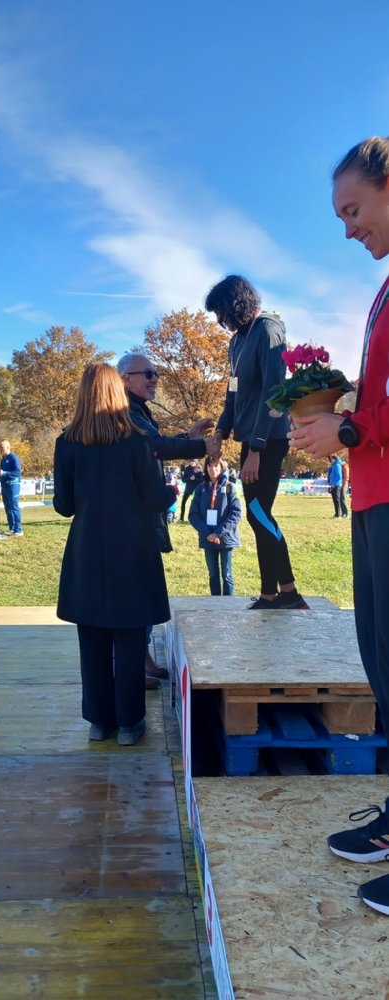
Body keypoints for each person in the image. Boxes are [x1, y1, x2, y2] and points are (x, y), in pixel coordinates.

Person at [288, 135, 389, 915]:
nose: (347, 229)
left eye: (353, 209)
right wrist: (340, 407)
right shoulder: (385, 291)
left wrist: (350, 432)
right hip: (371, 499)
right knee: (382, 665)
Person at [53, 362, 176, 746]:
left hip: (87, 549)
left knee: (91, 637)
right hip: (133, 547)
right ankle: (129, 723)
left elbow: (63, 506)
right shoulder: (137, 439)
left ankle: (98, 721)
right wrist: (170, 490)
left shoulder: (67, 442)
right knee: (128, 635)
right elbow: (154, 498)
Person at [205, 275, 308, 610]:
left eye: (222, 312)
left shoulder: (268, 330)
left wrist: (258, 450)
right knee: (256, 516)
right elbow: (233, 393)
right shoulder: (237, 342)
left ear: (237, 303)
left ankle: (289, 593)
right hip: (249, 441)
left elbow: (275, 394)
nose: (221, 321)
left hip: (268, 441)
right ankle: (272, 594)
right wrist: (221, 430)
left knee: (259, 514)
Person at [117, 352, 220, 685]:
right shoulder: (124, 412)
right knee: (135, 593)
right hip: (133, 521)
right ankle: (130, 663)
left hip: (141, 518)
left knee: (142, 591)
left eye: (156, 372)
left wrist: (189, 439)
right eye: (147, 373)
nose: (154, 378)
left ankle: (139, 656)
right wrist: (202, 445)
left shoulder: (136, 411)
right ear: (124, 379)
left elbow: (156, 446)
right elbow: (155, 447)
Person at [189, 457, 241, 595]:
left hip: (225, 538)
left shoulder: (230, 487)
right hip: (207, 538)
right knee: (213, 575)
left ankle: (227, 606)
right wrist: (208, 534)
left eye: (216, 466)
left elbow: (236, 513)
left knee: (227, 575)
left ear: (222, 467)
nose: (213, 469)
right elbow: (193, 515)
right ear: (206, 468)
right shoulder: (200, 488)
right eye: (210, 466)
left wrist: (218, 533)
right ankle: (215, 605)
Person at [0, 440, 23, 537]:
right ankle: (12, 527)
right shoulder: (3, 459)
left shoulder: (14, 458)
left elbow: (17, 472)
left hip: (13, 486)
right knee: (8, 508)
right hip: (4, 486)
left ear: (8, 447)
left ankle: (18, 529)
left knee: (14, 507)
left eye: (2, 447)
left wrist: (4, 473)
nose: (0, 449)